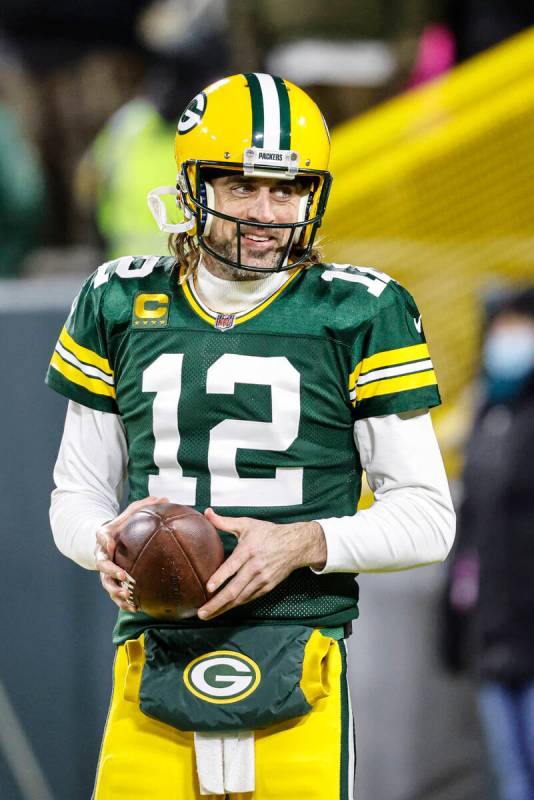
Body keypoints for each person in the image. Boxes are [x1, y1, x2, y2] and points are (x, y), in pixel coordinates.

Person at [47, 73, 455, 800]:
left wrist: (302, 542)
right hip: (155, 649)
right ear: (192, 186)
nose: (267, 213)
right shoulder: (119, 298)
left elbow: (428, 518)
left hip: (300, 648)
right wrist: (101, 542)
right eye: (241, 187)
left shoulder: (361, 310)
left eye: (288, 189)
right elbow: (75, 494)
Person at [443, 288, 534, 800]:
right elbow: (474, 534)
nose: (511, 337)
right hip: (495, 631)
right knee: (513, 776)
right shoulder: (488, 414)